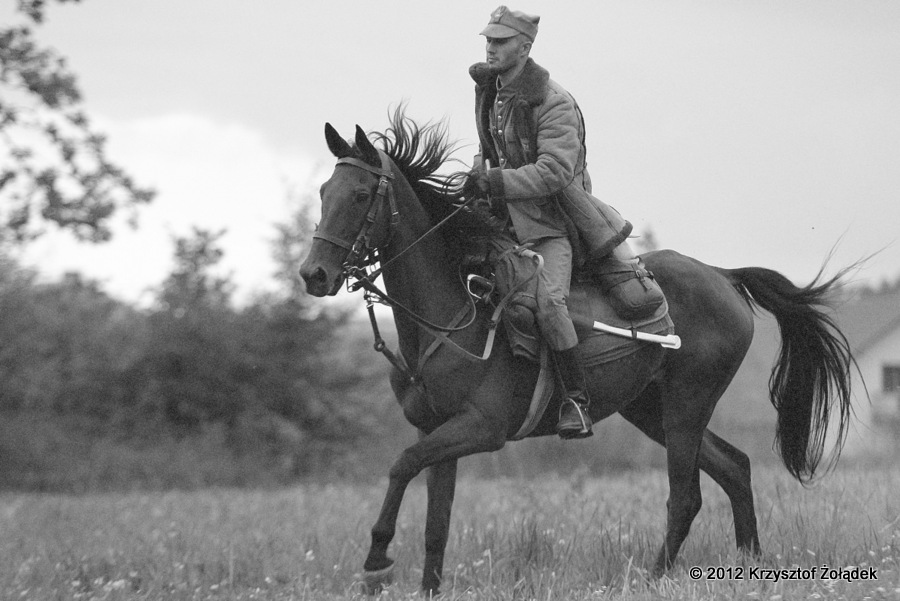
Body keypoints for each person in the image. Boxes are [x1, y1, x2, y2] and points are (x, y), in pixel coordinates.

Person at [464, 6, 661, 439]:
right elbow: (491, 150)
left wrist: (493, 182)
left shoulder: (554, 102)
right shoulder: (493, 91)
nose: (491, 47)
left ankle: (575, 400)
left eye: (500, 41)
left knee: (549, 303)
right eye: (489, 40)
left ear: (525, 47)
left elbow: (554, 172)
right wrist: (477, 174)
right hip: (504, 223)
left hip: (551, 227)